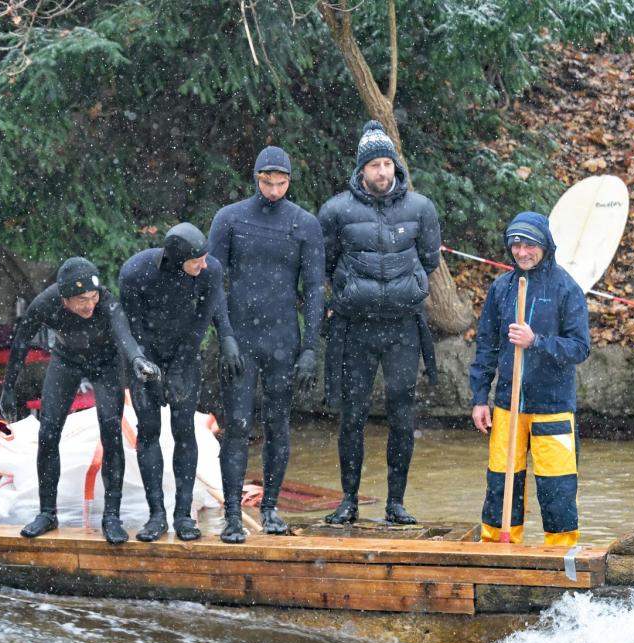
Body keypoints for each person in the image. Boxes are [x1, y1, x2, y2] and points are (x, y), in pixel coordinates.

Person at [318, 120, 441, 527]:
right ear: (361, 170)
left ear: (395, 167)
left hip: (403, 327)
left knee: (402, 415)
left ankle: (396, 503)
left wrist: (407, 286)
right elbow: (327, 262)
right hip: (356, 328)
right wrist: (353, 291)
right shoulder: (336, 210)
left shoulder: (420, 208)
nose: (382, 172)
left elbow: (430, 260)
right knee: (351, 415)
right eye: (375, 165)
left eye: (388, 164)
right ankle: (348, 500)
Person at [0, 257, 160, 545]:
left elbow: (123, 333)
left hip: (106, 363)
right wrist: (8, 387)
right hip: (66, 360)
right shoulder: (45, 303)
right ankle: (47, 513)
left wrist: (136, 359)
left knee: (111, 432)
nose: (89, 305)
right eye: (81, 300)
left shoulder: (106, 302)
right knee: (48, 433)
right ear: (64, 299)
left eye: (93, 297)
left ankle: (112, 516)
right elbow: (21, 340)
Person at [208, 145, 324, 544]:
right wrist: (224, 337)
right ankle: (232, 516)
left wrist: (310, 347)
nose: (274, 190)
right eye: (267, 182)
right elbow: (212, 284)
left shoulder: (304, 224)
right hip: (240, 339)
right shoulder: (230, 218)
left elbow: (313, 288)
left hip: (282, 340)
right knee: (238, 426)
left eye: (281, 183)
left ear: (289, 182)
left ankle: (271, 507)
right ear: (255, 178)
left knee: (278, 425)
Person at [469, 212, 591, 546]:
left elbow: (580, 348)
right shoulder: (502, 288)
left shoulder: (567, 289)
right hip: (508, 405)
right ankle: (497, 548)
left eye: (530, 245)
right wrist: (480, 397)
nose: (522, 252)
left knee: (557, 488)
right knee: (501, 483)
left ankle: (561, 555)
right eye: (516, 244)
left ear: (545, 245)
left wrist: (536, 341)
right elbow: (486, 347)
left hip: (553, 406)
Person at [117, 223, 242, 542]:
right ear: (176, 258)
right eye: (196, 260)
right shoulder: (136, 271)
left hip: (184, 354)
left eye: (205, 258)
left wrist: (178, 367)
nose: (204, 264)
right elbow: (134, 327)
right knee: (148, 432)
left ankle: (183, 515)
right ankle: (156, 514)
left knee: (184, 430)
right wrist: (147, 367)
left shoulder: (210, 271)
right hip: (146, 355)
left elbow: (201, 322)